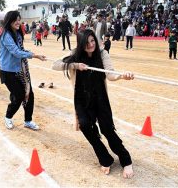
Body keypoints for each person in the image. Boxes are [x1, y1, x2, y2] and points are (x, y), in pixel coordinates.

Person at [52, 29, 134, 179]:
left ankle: (126, 159)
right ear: (81, 44)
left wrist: (122, 76)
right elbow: (55, 64)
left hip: (100, 97)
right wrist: (75, 65)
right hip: (82, 99)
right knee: (85, 126)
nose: (90, 45)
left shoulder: (102, 54)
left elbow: (110, 74)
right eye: (87, 42)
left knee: (107, 130)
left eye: (92, 41)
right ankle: (105, 159)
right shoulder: (75, 54)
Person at [0, 10, 46, 130]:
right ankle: (8, 117)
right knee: (19, 95)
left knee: (29, 94)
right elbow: (15, 52)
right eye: (16, 20)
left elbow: (21, 49)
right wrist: (34, 56)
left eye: (19, 20)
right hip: (8, 71)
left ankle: (28, 121)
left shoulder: (18, 34)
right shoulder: (5, 35)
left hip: (21, 69)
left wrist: (35, 54)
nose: (18, 22)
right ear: (9, 20)